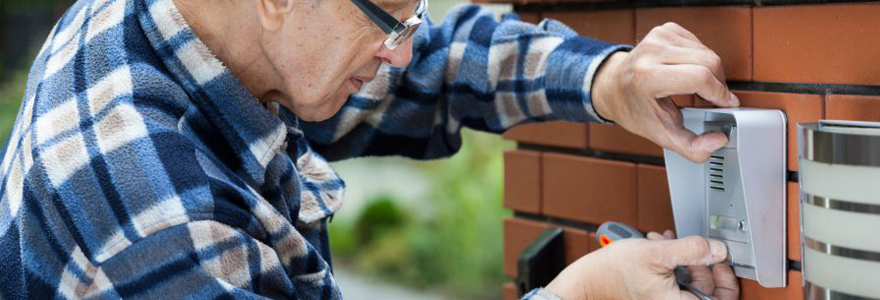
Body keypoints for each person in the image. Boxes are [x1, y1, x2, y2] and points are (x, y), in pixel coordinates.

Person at [0, 0, 740, 298]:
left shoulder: (186, 31)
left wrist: (605, 80)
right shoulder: (155, 210)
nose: (401, 51)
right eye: (392, 20)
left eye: (415, 15)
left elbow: (436, 67)